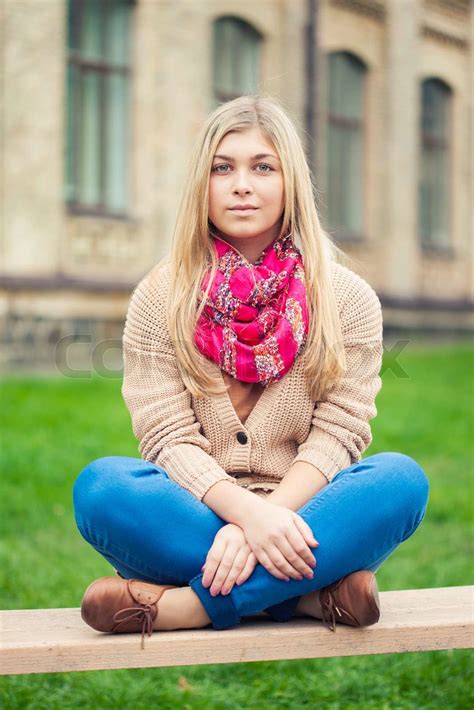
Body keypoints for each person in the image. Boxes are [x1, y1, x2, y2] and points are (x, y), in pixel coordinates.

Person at [73, 95, 429, 649]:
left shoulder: (348, 299)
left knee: (401, 481)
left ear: (291, 183)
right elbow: (164, 436)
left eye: (263, 166)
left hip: (306, 514)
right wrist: (243, 516)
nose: (242, 184)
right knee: (101, 488)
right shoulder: (161, 296)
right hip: (195, 513)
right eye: (223, 167)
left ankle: (189, 606)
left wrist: (267, 518)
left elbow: (341, 433)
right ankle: (307, 597)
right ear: (202, 184)